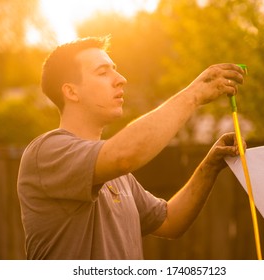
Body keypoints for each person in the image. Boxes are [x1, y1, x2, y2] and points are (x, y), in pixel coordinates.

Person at [17, 36, 246, 260]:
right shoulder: (46, 153)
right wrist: (194, 94)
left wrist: (210, 166)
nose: (121, 79)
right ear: (71, 91)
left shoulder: (119, 177)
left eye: (114, 69)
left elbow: (170, 222)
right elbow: (124, 156)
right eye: (102, 72)